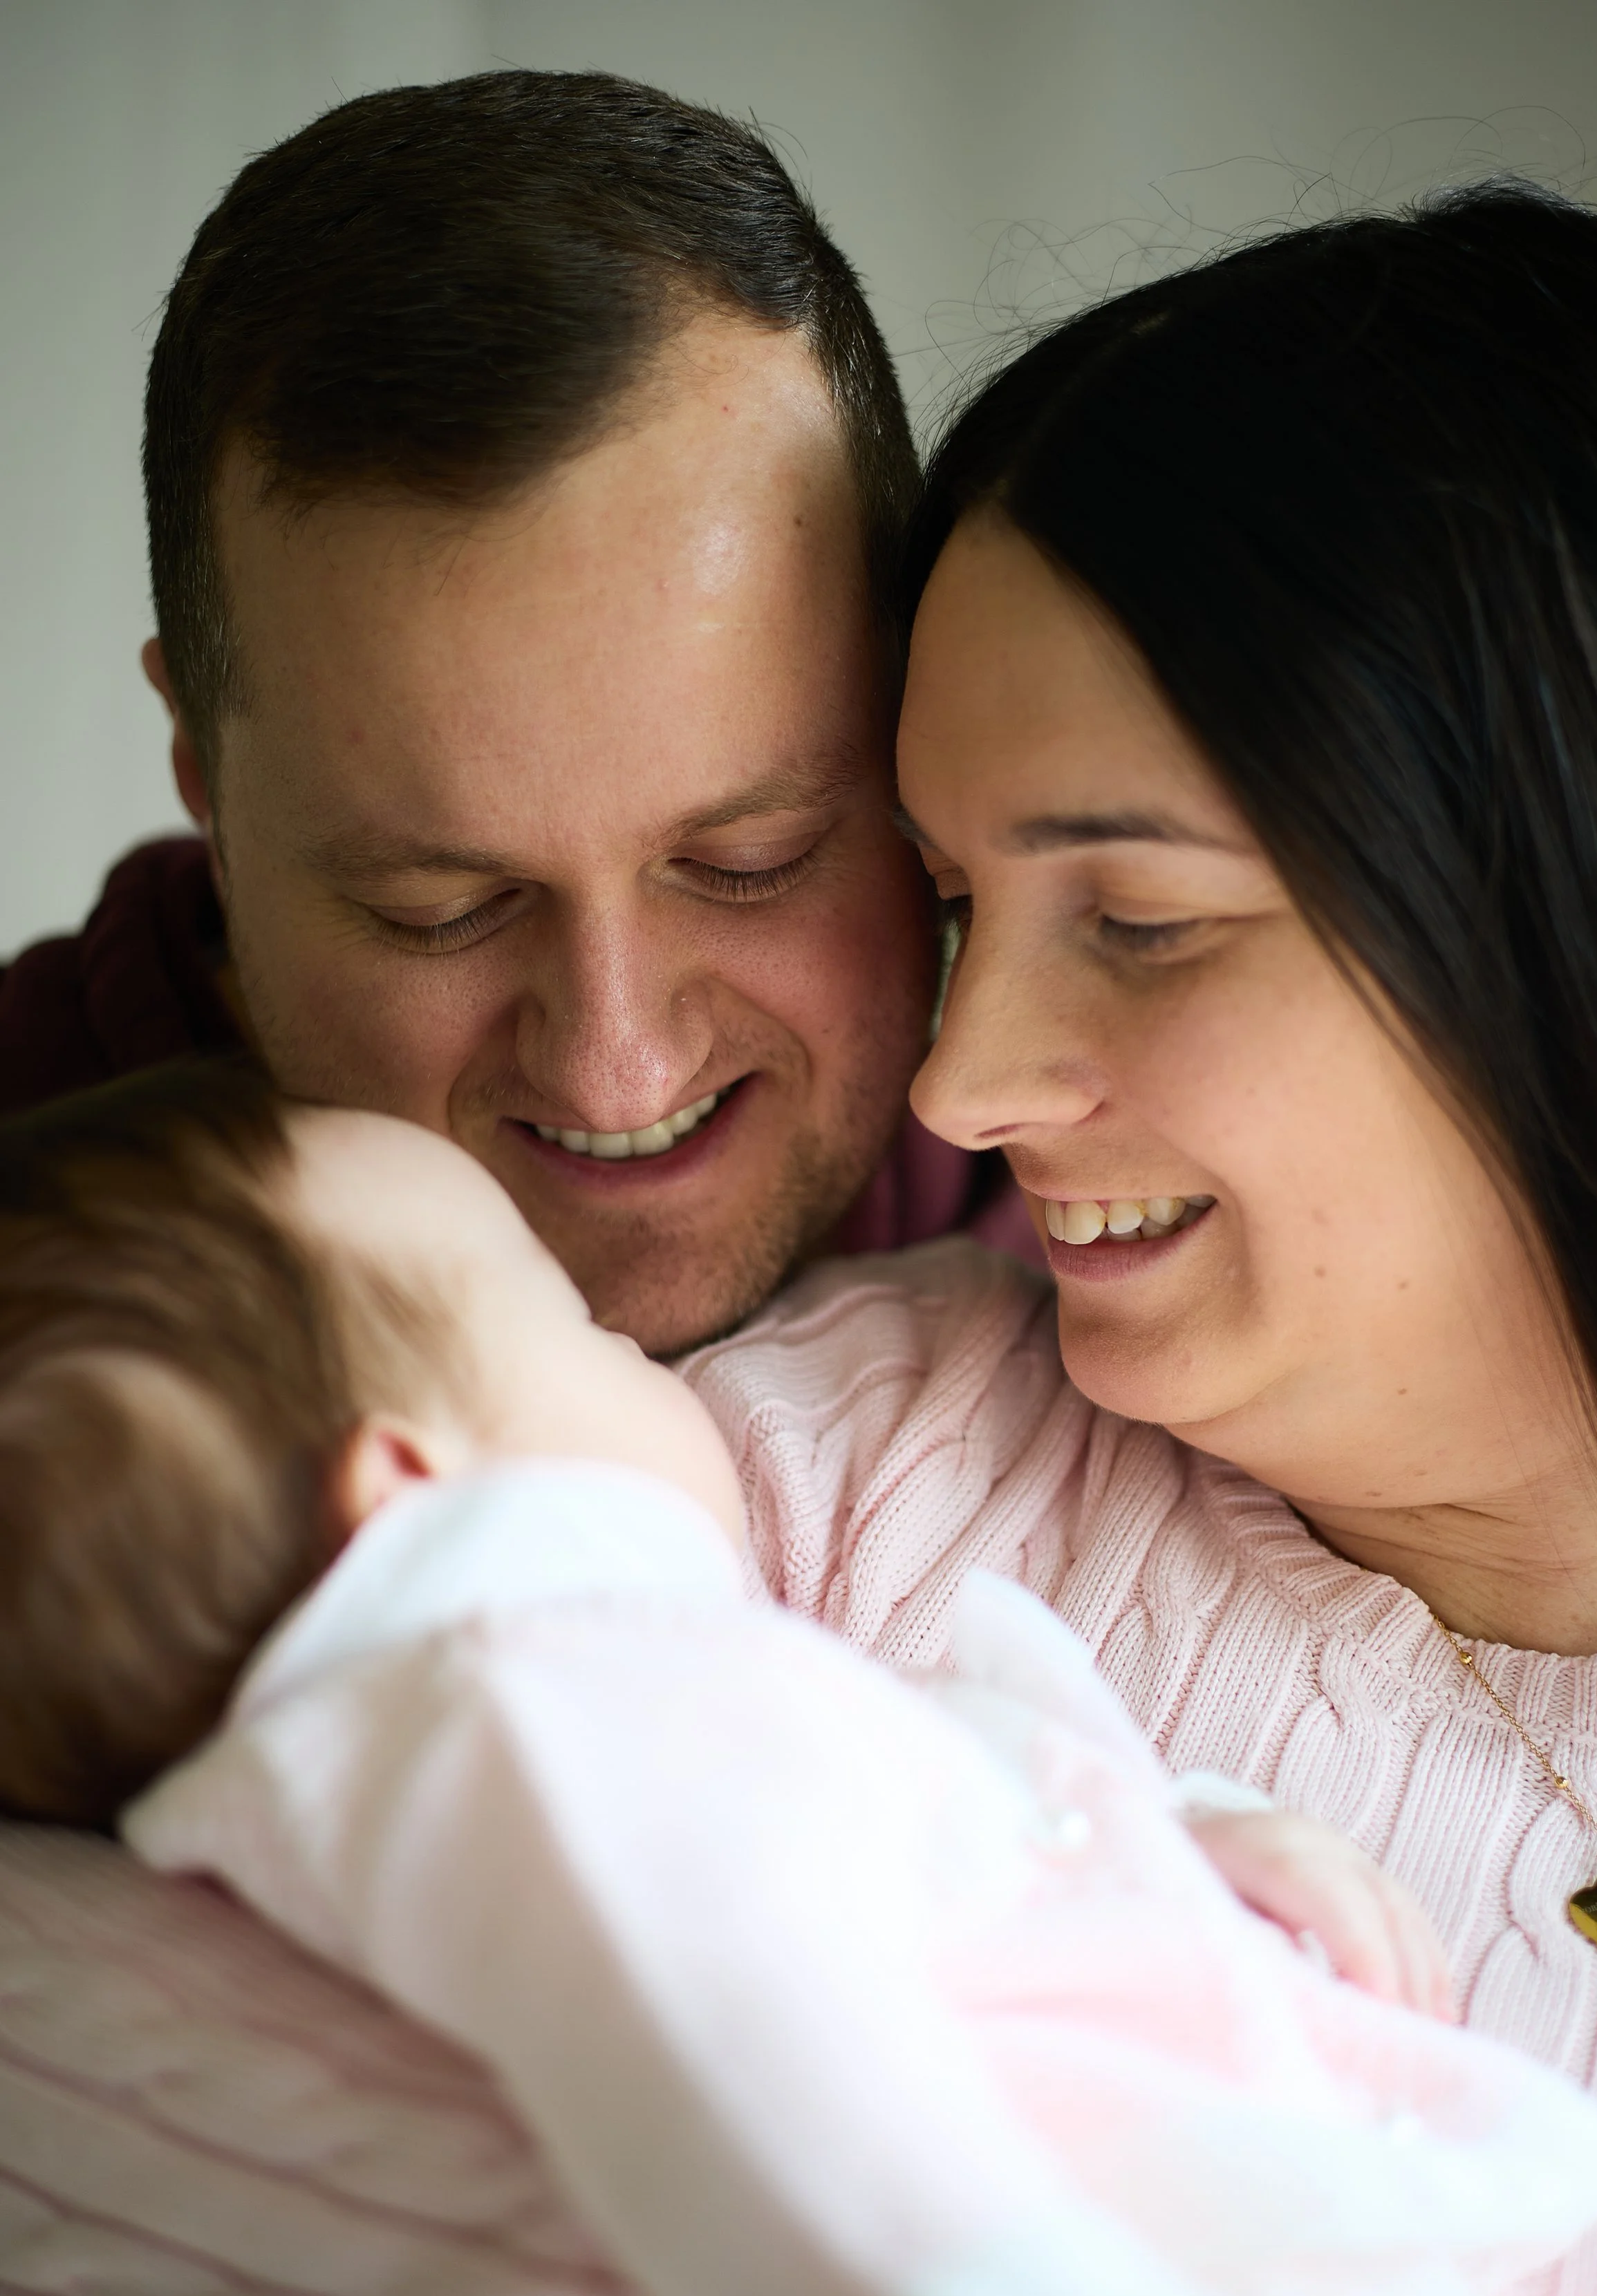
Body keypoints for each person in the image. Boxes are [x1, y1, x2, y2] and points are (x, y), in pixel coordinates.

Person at [0, 1057, 1597, 2296]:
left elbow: (892, 1838)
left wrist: (1174, 1845)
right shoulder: (520, 1692)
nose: (659, 1365)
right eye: (575, 1333)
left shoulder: (548, 1723)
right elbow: (748, 2026)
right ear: (413, 1486)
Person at [668, 182, 1597, 2296]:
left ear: (1596, 891)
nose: (959, 1085)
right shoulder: (794, 1523)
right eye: (956, 911)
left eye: (1135, 923)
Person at [0, 68, 1031, 1357]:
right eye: (440, 910)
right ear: (204, 777)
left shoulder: (1119, 1223)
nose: (620, 1066)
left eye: (746, 864)